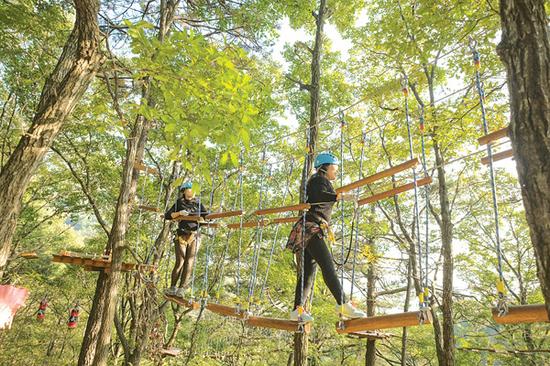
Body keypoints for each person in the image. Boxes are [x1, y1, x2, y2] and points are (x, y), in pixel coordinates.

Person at [286, 152, 366, 322]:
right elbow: (319, 196)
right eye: (334, 169)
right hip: (312, 229)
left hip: (310, 229)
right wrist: (340, 196)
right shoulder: (318, 180)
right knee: (328, 267)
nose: (336, 173)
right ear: (326, 167)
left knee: (308, 273)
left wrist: (338, 196)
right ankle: (343, 304)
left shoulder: (319, 181)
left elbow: (320, 197)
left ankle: (297, 310)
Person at [164, 181, 208, 297]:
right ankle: (173, 287)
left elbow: (207, 217)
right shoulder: (180, 202)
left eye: (194, 190)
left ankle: (181, 289)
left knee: (189, 262)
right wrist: (179, 213)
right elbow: (168, 215)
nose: (192, 192)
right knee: (180, 261)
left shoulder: (198, 203)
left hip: (195, 235)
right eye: (190, 189)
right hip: (182, 234)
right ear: (184, 191)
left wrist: (202, 220)